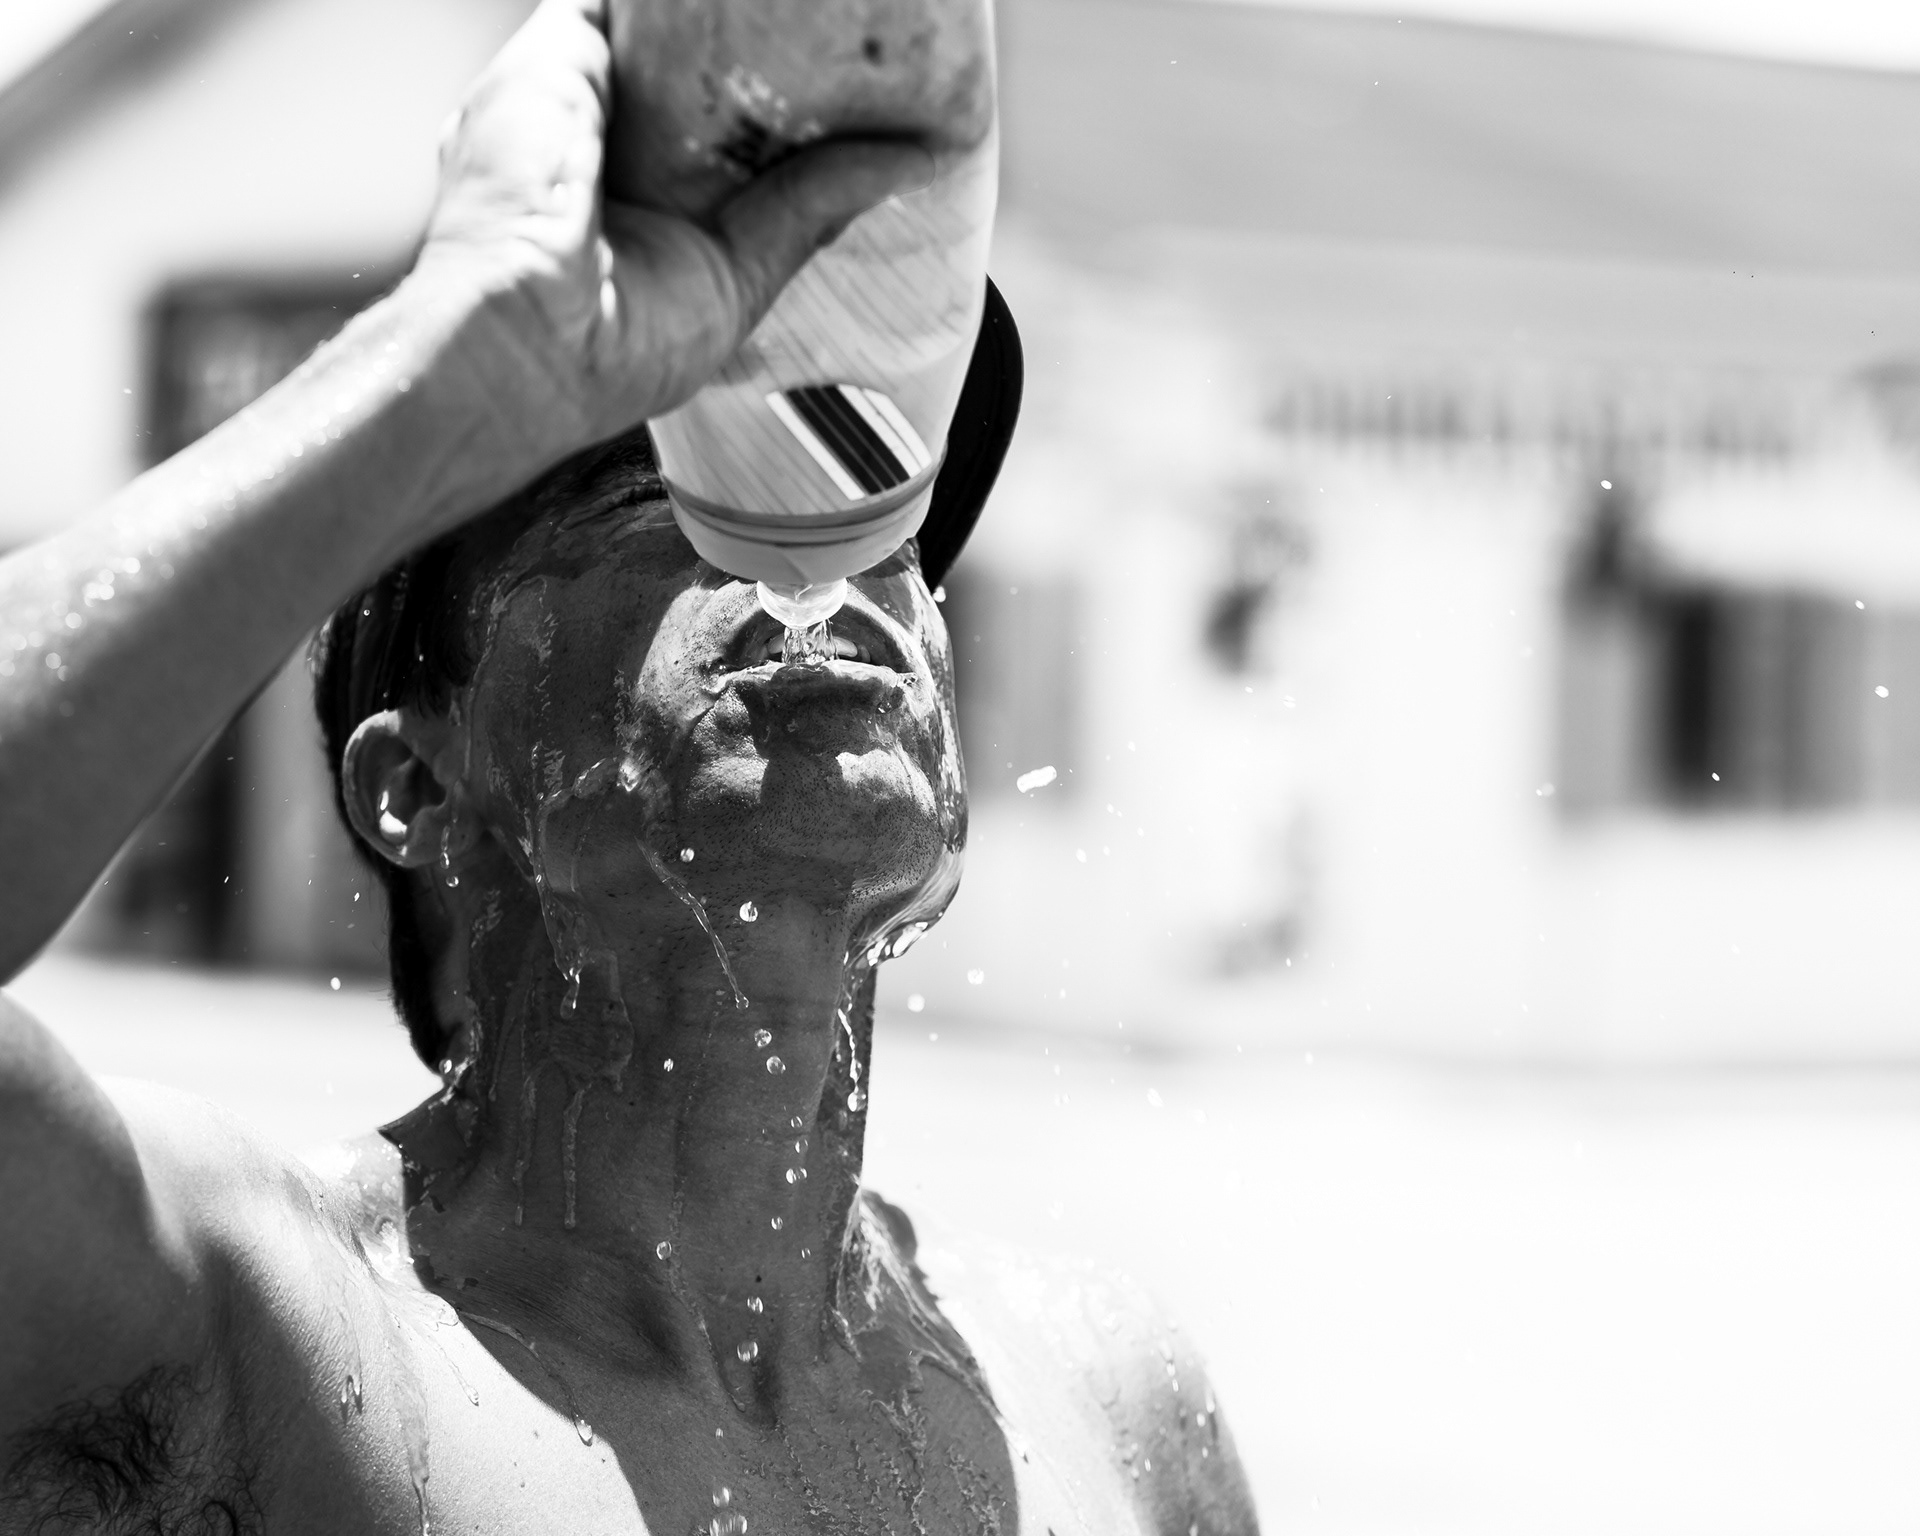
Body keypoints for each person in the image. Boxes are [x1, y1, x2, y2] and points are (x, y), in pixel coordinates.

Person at [0, 0, 1259, 1530]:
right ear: (420, 786)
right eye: (657, 494)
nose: (814, 565)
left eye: (877, 502)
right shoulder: (256, 1329)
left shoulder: (1108, 1399)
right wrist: (469, 353)